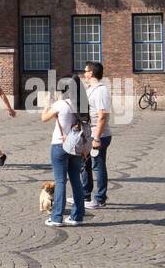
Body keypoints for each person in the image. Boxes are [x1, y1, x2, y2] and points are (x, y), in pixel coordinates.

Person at [39, 88, 86, 227]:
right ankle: (77, 216)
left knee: (60, 181)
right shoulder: (82, 107)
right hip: (75, 146)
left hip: (60, 145)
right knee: (76, 180)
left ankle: (57, 217)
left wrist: (47, 104)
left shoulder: (60, 104)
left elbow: (44, 118)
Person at [80, 61, 112, 209]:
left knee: (98, 166)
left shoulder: (101, 91)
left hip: (98, 135)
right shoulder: (90, 89)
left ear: (91, 73)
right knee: (84, 165)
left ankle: (100, 199)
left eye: (85, 71)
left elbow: (103, 116)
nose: (84, 74)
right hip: (87, 133)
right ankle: (84, 195)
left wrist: (97, 138)